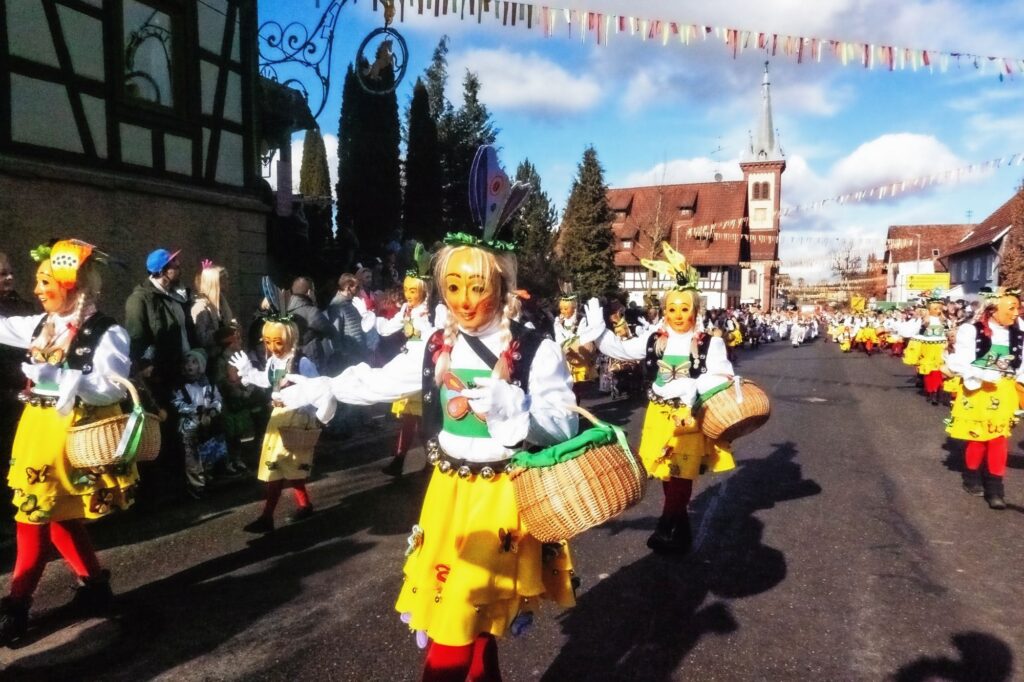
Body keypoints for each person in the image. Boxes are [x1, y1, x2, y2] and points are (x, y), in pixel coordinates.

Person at [276, 146, 577, 680]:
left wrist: (516, 409)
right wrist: (327, 385)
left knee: (458, 625)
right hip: (448, 493)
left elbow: (563, 424)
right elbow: (382, 379)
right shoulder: (437, 345)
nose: (464, 300)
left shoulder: (535, 349)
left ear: (501, 286)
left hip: (502, 502)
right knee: (469, 621)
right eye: (453, 286)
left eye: (477, 287)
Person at [0, 240, 138, 644]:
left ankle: (16, 608)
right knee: (58, 514)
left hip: (70, 434)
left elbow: (111, 388)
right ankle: (95, 587)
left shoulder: (106, 331)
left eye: (46, 282)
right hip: (37, 429)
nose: (37, 290)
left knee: (32, 515)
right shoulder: (43, 324)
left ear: (71, 285)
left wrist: (64, 379)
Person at [585, 242, 737, 555]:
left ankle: (666, 526)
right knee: (667, 472)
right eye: (672, 309)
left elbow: (724, 376)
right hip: (658, 414)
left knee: (681, 473)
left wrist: (691, 386)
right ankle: (681, 532)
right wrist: (599, 331)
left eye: (685, 309)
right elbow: (620, 350)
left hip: (688, 417)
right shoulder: (655, 340)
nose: (678, 315)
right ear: (665, 311)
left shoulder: (709, 343)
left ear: (695, 310)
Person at [230, 318, 319, 532]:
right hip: (278, 417)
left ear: (290, 339)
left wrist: (312, 415)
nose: (272, 347)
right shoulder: (273, 362)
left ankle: (268, 516)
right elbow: (267, 381)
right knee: (282, 465)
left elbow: (317, 388)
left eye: (277, 342)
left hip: (297, 418)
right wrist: (248, 371)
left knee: (282, 464)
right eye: (268, 342)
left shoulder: (302, 362)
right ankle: (301, 506)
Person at [124, 247, 197, 499]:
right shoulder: (140, 299)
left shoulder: (173, 296)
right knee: (163, 430)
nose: (179, 267)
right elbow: (136, 337)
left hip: (179, 371)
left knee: (182, 428)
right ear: (162, 271)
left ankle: (180, 485)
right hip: (158, 376)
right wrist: (146, 366)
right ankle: (159, 492)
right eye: (174, 265)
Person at [945, 288, 1024, 510]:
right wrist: (982, 373)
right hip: (978, 389)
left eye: (1018, 308)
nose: (1016, 313)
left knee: (998, 438)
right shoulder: (971, 331)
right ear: (992, 309)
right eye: (1011, 308)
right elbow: (959, 362)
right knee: (978, 437)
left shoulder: (1019, 332)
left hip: (1003, 390)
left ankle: (995, 488)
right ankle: (971, 476)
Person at [377, 264, 434, 476]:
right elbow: (387, 329)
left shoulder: (431, 311)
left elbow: (434, 337)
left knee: (425, 420)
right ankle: (400, 460)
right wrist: (372, 315)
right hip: (409, 366)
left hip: (425, 369)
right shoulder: (406, 309)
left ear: (423, 291)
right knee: (410, 419)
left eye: (413, 291)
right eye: (406, 290)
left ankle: (430, 461)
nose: (408, 295)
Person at [0, 253, 36, 495]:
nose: (10, 278)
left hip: (23, 392)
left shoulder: (22, 306)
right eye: (3, 274)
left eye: (11, 272)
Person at [171, 349, 227, 498]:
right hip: (189, 426)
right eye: (187, 363)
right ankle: (197, 485)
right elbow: (177, 403)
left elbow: (217, 399)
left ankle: (208, 477)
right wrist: (195, 409)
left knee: (209, 451)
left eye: (194, 362)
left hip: (207, 422)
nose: (190, 366)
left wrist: (213, 409)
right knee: (192, 456)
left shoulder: (209, 384)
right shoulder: (180, 386)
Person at [191, 260, 236, 372]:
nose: (228, 282)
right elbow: (200, 338)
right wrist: (220, 334)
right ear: (216, 282)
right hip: (210, 362)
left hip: (226, 358)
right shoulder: (200, 306)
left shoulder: (222, 303)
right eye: (225, 279)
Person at [285, 277, 335, 373]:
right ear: (309, 292)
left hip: (291, 358)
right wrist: (314, 303)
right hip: (311, 358)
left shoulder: (284, 310)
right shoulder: (311, 311)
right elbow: (331, 331)